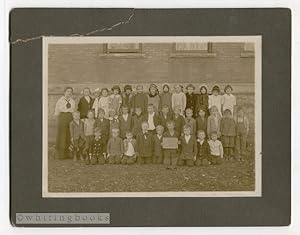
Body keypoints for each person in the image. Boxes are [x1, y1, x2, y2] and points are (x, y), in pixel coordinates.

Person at [54, 87, 75, 159]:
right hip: (62, 117)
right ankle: (61, 154)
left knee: (69, 134)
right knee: (62, 134)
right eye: (68, 91)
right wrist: (58, 119)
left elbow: (72, 110)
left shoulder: (72, 101)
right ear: (64, 92)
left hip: (70, 117)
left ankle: (68, 153)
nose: (69, 93)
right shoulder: (60, 100)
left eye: (71, 92)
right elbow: (57, 111)